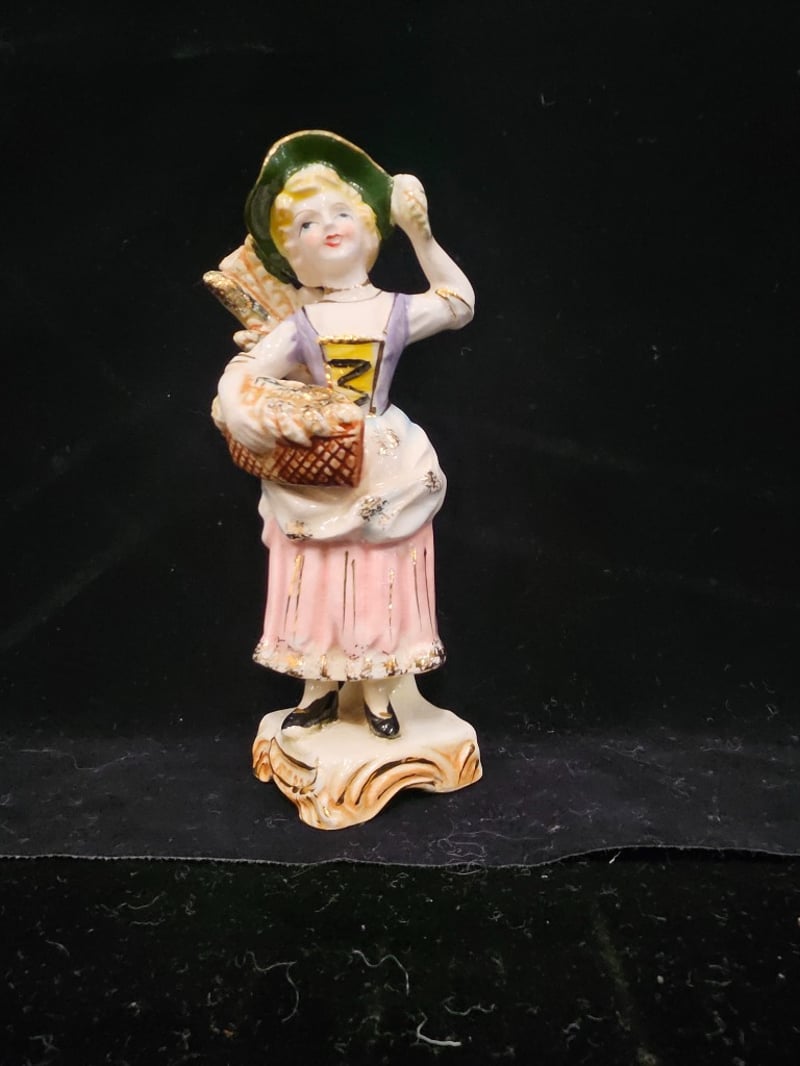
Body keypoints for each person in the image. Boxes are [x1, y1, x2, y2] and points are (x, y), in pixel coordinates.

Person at [214, 131, 474, 739]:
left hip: (383, 458)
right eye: (305, 223)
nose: (326, 227)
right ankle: (319, 686)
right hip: (321, 458)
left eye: (339, 212)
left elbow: (459, 302)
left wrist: (421, 235)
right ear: (292, 254)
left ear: (368, 228)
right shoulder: (304, 322)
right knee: (318, 569)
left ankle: (378, 689)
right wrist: (239, 404)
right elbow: (247, 370)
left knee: (378, 569)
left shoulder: (394, 312)